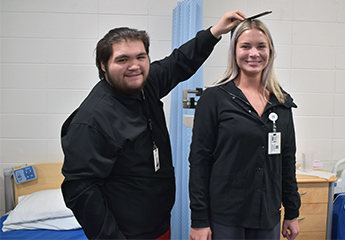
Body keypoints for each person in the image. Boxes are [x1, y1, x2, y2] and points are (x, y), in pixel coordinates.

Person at [60, 10, 245, 240]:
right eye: (122, 59)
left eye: (141, 57)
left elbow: (178, 62)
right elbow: (81, 191)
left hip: (157, 225)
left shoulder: (145, 85)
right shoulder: (92, 120)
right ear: (103, 65)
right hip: (127, 233)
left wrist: (215, 32)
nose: (134, 66)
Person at [188, 19, 300, 240]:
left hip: (267, 216)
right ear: (234, 52)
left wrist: (292, 212)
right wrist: (199, 220)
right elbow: (199, 162)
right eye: (245, 46)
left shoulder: (281, 102)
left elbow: (287, 161)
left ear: (270, 52)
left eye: (261, 46)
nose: (254, 53)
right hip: (225, 218)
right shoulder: (214, 99)